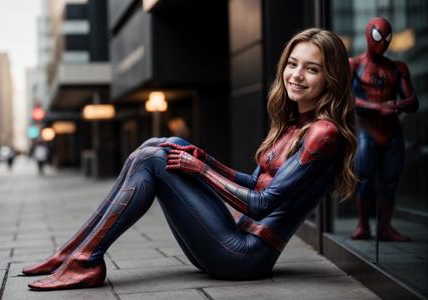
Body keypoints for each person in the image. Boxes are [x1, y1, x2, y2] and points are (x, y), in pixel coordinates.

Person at [22, 28, 357, 291]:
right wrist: (206, 159)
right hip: (228, 243)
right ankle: (74, 253)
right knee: (166, 144)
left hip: (244, 256)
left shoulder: (322, 133)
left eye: (311, 69)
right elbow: (255, 182)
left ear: (332, 78)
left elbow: (261, 203)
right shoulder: (295, 123)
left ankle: (83, 258)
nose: (296, 75)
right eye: (292, 64)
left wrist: (201, 170)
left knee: (155, 159)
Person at [349, 17, 418, 241]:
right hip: (366, 130)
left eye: (387, 38)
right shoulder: (355, 65)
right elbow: (346, 99)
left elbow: (412, 101)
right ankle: (363, 225)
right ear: (368, 35)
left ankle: (385, 227)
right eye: (378, 37)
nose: (383, 43)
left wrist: (395, 105)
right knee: (365, 179)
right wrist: (379, 107)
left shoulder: (397, 68)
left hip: (391, 131)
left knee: (390, 181)